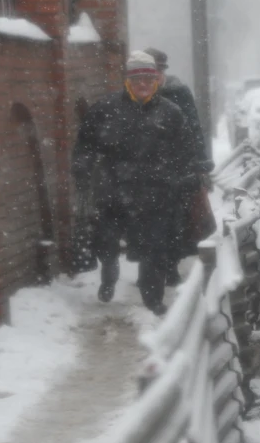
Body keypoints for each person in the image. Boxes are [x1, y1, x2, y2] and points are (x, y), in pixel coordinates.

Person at [72, 50, 200, 315]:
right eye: (137, 78)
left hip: (156, 195)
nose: (143, 84)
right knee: (106, 242)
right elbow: (85, 143)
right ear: (127, 81)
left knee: (154, 250)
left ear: (156, 81)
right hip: (113, 191)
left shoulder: (171, 113)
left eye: (149, 79)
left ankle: (152, 299)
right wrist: (82, 167)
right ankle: (109, 273)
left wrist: (180, 178)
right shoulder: (106, 109)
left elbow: (185, 151)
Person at [143, 47, 216, 286]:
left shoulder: (177, 93)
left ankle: (171, 266)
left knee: (176, 220)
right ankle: (151, 268)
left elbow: (194, 127)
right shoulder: (136, 94)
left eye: (157, 71)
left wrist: (200, 163)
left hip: (178, 168)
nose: (154, 76)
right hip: (145, 170)